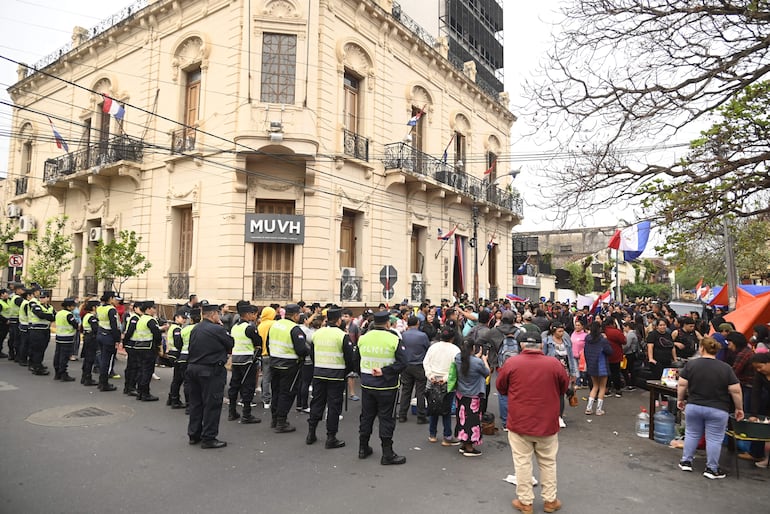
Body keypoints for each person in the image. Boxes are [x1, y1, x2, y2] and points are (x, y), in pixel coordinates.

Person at [497, 336, 569, 514]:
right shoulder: (553, 364)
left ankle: (525, 501)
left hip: (520, 421)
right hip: (547, 423)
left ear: (521, 345)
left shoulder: (512, 363)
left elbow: (501, 387)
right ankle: (550, 500)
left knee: (522, 462)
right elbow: (563, 387)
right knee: (548, 462)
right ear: (541, 345)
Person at [677, 336, 744, 479]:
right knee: (714, 438)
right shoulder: (726, 368)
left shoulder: (691, 365)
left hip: (694, 406)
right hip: (718, 408)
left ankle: (686, 461)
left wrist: (680, 399)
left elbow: (682, 384)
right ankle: (712, 469)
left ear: (701, 348)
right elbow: (736, 390)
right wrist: (739, 408)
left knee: (692, 434)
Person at [357, 310, 407, 465]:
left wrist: (364, 375)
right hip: (387, 387)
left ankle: (363, 448)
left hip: (367, 385)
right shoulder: (393, 339)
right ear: (387, 323)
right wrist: (385, 371)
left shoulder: (363, 339)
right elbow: (403, 363)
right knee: (386, 419)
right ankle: (387, 454)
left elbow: (355, 360)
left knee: (366, 417)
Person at [306, 308, 357, 449]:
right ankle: (331, 437)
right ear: (339, 320)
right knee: (334, 406)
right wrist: (346, 371)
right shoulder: (341, 335)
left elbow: (312, 354)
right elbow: (349, 358)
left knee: (317, 403)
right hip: (336, 375)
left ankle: (311, 433)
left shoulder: (317, 334)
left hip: (319, 373)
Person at [186, 301, 234, 449]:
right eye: (218, 314)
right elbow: (230, 343)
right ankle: (209, 437)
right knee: (212, 404)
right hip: (210, 371)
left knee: (196, 403)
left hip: (193, 369)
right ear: (213, 314)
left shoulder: (196, 328)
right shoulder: (217, 329)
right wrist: (220, 326)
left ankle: (194, 434)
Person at [267, 303, 308, 433]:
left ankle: (274, 418)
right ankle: (281, 421)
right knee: (287, 393)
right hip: (289, 365)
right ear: (296, 315)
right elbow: (301, 349)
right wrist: (308, 352)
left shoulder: (275, 325)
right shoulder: (295, 329)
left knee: (276, 391)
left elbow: (268, 343)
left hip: (274, 362)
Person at [423, 327, 461, 446]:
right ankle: (447, 436)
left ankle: (432, 434)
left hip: (432, 381)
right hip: (447, 383)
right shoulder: (455, 349)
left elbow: (426, 362)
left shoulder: (433, 347)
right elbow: (455, 367)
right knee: (446, 410)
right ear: (452, 338)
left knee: (433, 407)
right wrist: (445, 378)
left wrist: (430, 376)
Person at [227, 302, 262, 424]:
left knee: (234, 385)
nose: (255, 316)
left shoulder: (234, 327)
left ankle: (232, 411)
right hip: (248, 360)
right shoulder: (250, 328)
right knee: (248, 387)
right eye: (253, 314)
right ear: (247, 314)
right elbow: (258, 343)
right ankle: (246, 414)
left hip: (236, 360)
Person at [454, 338, 490, 456]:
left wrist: (476, 357)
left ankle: (463, 442)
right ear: (473, 348)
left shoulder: (458, 358)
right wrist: (484, 359)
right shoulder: (477, 362)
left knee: (462, 418)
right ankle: (469, 447)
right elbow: (486, 372)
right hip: (473, 395)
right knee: (472, 420)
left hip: (461, 393)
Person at [124, 301, 163, 401]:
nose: (155, 310)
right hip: (148, 347)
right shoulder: (150, 320)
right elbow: (157, 334)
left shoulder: (141, 319)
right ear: (149, 309)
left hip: (138, 346)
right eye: (154, 308)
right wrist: (158, 345)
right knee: (147, 371)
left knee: (141, 370)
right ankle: (145, 393)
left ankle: (140, 392)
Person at [397, 316, 431, 424]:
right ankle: (421, 416)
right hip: (419, 365)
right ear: (417, 323)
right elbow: (427, 348)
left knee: (406, 390)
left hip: (406, 365)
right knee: (420, 391)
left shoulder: (403, 335)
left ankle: (402, 414)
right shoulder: (422, 336)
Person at [543, 322, 578, 428]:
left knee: (560, 394)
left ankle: (559, 417)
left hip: (564, 371)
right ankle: (549, 415)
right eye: (560, 331)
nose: (562, 333)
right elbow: (543, 356)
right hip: (551, 371)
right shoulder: (546, 341)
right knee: (550, 394)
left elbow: (571, 357)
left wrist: (573, 372)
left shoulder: (566, 341)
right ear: (553, 331)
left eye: (563, 331)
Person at [583, 321, 612, 415]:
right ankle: (599, 409)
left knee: (595, 386)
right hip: (602, 365)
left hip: (591, 364)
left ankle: (589, 407)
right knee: (602, 387)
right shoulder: (602, 340)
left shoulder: (587, 339)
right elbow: (610, 351)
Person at [95, 291, 121, 391]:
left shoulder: (100, 308)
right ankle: (104, 383)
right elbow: (114, 326)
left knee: (103, 359)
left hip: (101, 334)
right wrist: (117, 340)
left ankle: (101, 382)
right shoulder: (111, 309)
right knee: (108, 361)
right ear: (110, 298)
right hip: (109, 337)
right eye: (114, 298)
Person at [28, 289, 55, 376]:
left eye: (44, 297)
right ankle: (37, 368)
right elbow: (40, 315)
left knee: (42, 348)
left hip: (45, 330)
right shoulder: (36, 306)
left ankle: (36, 364)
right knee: (37, 349)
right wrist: (49, 316)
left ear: (48, 298)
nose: (41, 299)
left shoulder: (50, 307)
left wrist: (48, 316)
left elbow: (54, 317)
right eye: (40, 297)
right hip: (36, 330)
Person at [53, 298, 79, 381]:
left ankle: (57, 373)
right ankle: (63, 374)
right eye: (73, 306)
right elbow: (75, 325)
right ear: (68, 306)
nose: (74, 307)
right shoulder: (69, 315)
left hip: (59, 337)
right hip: (67, 338)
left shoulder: (59, 313)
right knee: (64, 357)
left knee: (57, 355)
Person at [164, 310, 186, 407]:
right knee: (178, 378)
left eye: (185, 318)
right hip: (176, 354)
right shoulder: (177, 329)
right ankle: (174, 400)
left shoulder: (172, 327)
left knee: (176, 378)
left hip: (172, 353)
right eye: (182, 318)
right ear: (176, 317)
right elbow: (178, 342)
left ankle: (171, 397)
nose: (184, 320)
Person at [257, 305, 277, 409]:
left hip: (262, 354)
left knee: (265, 377)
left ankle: (264, 398)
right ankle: (268, 399)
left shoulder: (260, 325)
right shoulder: (274, 324)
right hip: (272, 354)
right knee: (273, 378)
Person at [79, 300, 100, 386]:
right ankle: (87, 378)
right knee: (90, 359)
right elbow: (96, 329)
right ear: (93, 307)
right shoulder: (92, 317)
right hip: (91, 338)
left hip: (87, 337)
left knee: (87, 359)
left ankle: (84, 377)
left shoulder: (86, 316)